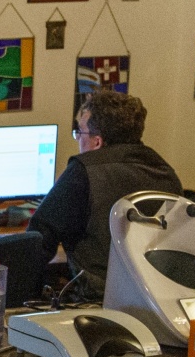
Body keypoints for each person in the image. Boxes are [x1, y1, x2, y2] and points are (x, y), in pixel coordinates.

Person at [23, 90, 181, 288]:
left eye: (80, 132)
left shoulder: (84, 171)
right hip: (155, 291)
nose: (78, 139)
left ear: (97, 142)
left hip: (99, 293)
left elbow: (39, 240)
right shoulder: (166, 172)